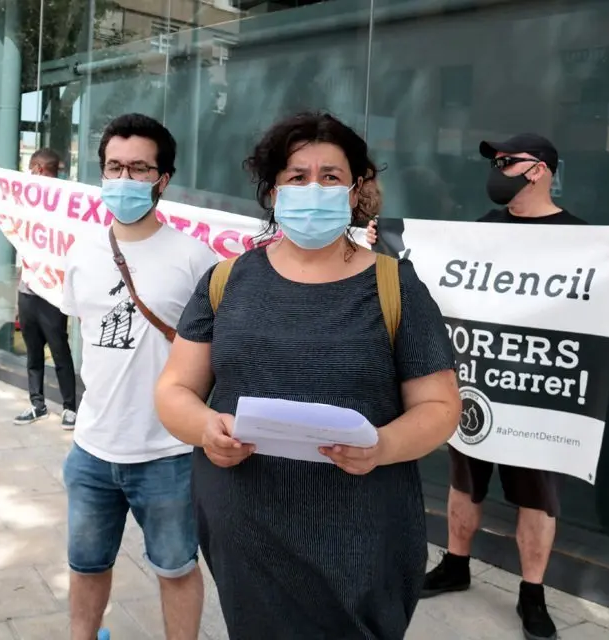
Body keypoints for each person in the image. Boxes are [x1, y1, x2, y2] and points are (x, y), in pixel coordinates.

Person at [154, 111, 462, 639]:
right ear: (273, 192)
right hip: (248, 528)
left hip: (363, 533)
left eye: (330, 176)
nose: (313, 188)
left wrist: (383, 445)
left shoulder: (396, 287)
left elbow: (441, 407)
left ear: (355, 189)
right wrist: (205, 428)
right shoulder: (227, 280)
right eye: (297, 177)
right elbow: (174, 389)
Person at [367, 133, 609, 640]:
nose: (497, 169)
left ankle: (532, 594)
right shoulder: (483, 232)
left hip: (540, 395)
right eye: (496, 161)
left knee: (537, 500)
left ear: (538, 170)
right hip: (478, 384)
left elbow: (598, 306)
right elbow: (431, 276)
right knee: (462, 484)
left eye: (506, 161)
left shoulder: (581, 239)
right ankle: (456, 564)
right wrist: (381, 244)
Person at [60, 113, 216, 640]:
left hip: (168, 455)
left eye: (139, 169)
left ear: (162, 179)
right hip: (91, 449)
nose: (124, 180)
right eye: (114, 167)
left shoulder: (196, 259)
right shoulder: (80, 253)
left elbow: (218, 354)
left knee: (176, 569)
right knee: (86, 565)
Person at [14, 148, 78, 429]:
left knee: (59, 348)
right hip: (28, 288)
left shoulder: (65, 203)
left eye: (30, 166)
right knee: (33, 351)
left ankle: (69, 407)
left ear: (38, 168)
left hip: (53, 291)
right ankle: (36, 404)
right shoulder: (23, 200)